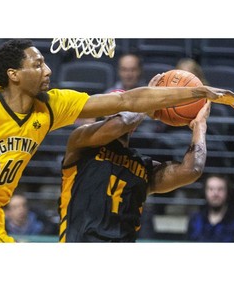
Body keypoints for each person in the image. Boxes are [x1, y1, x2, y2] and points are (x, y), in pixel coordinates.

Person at [0, 39, 234, 243]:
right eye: (38, 64)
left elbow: (125, 101)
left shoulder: (51, 105)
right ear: (14, 74)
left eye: (46, 63)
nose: (48, 70)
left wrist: (201, 92)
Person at [58, 84, 212, 242]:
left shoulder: (144, 167)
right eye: (116, 107)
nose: (119, 112)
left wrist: (200, 127)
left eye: (124, 106)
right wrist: (147, 102)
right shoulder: (81, 142)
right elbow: (120, 124)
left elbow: (191, 170)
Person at [186, 174, 234, 242]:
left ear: (227, 192)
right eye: (211, 189)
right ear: (205, 192)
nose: (215, 193)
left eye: (220, 189)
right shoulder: (195, 219)